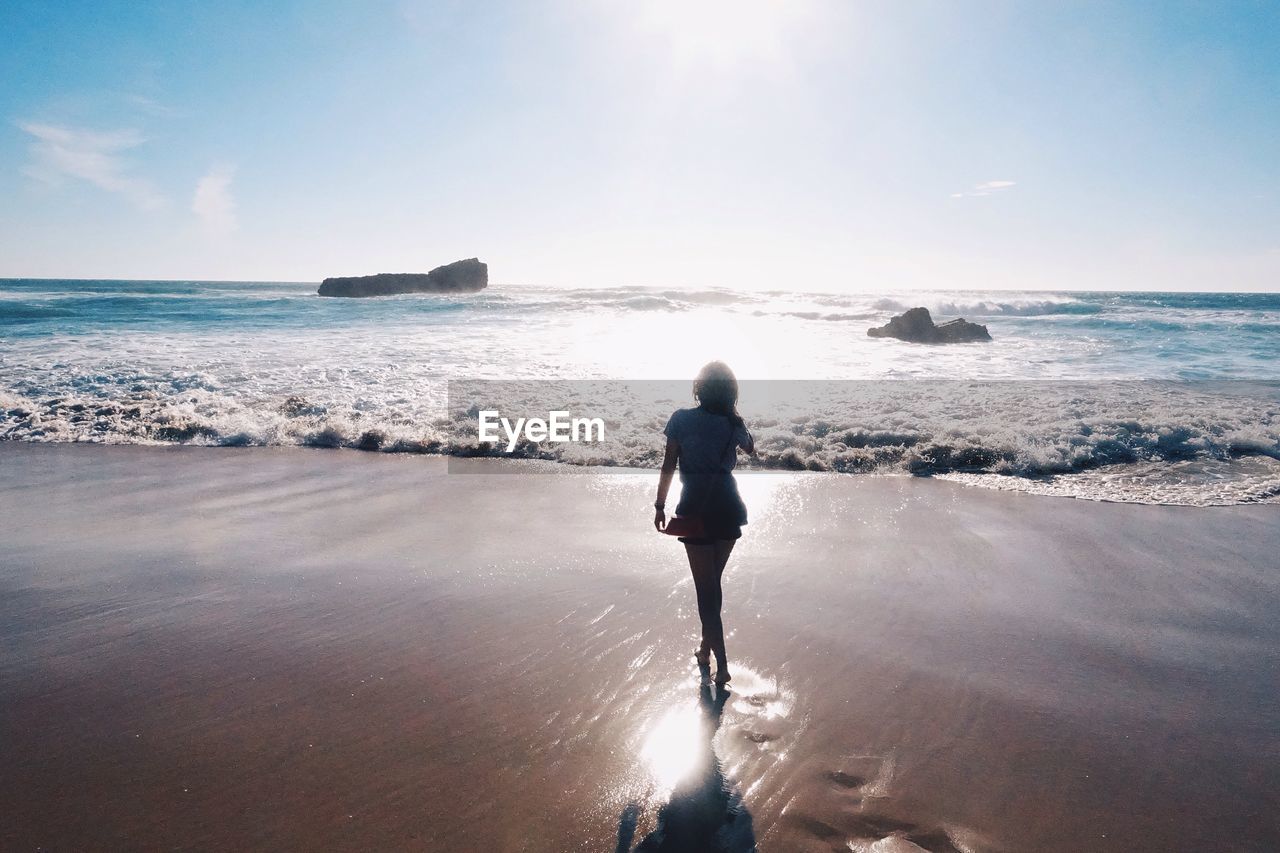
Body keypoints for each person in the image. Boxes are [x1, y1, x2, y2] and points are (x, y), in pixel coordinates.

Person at [653, 361, 754, 685]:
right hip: (728, 506)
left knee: (705, 593)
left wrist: (659, 505)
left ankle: (721, 666)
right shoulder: (732, 422)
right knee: (713, 588)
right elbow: (751, 448)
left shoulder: (681, 419)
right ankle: (704, 650)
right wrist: (736, 418)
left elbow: (668, 465)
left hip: (696, 507)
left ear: (699, 387)